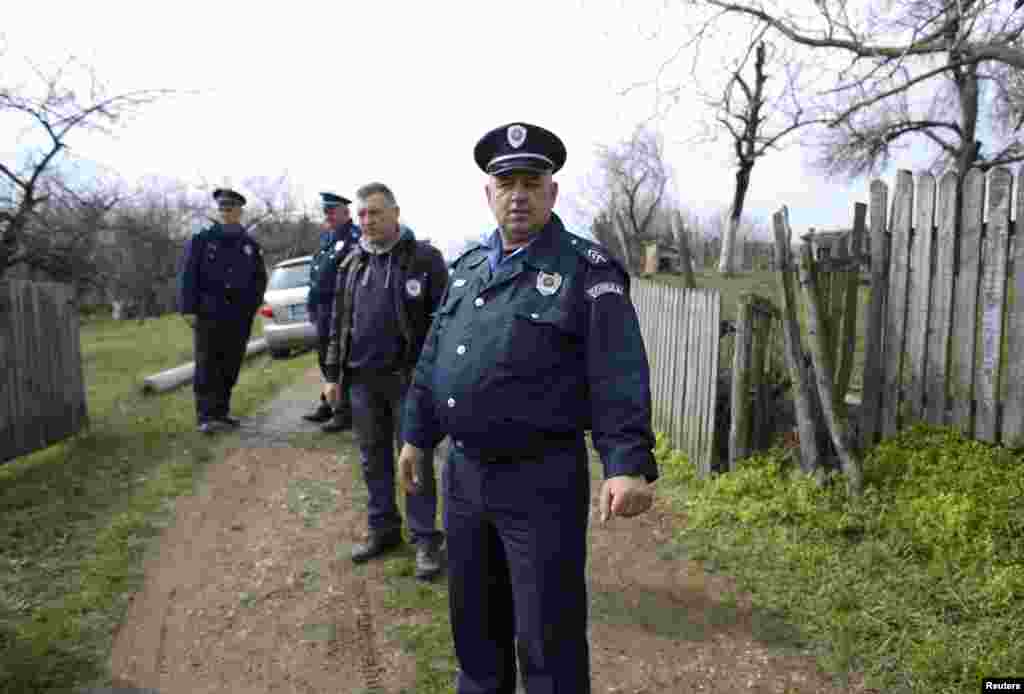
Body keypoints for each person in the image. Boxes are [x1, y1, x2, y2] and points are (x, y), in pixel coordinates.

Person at [398, 122, 658, 693]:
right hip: (464, 477)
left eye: (531, 182)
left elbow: (617, 371)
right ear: (488, 194)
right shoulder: (467, 269)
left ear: (552, 193)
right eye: (505, 182)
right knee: (475, 629)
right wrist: (416, 433)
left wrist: (625, 463)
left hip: (540, 482)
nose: (518, 193)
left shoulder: (585, 270)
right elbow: (436, 356)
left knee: (548, 637)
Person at [323, 182, 449, 580]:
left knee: (415, 460)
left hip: (408, 381)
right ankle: (383, 531)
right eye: (361, 215)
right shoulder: (351, 264)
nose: (366, 221)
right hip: (361, 382)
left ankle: (426, 538)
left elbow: (443, 325)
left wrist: (436, 380)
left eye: (374, 213)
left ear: (395, 212)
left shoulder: (424, 259)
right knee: (371, 460)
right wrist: (332, 375)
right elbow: (337, 324)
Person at [177, 188, 268, 434]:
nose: (226, 213)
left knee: (231, 363)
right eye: (223, 209)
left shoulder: (249, 244)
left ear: (240, 211)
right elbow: (188, 275)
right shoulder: (202, 239)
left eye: (231, 209)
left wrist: (251, 306)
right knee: (208, 363)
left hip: (239, 316)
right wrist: (188, 309)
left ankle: (222, 412)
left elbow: (260, 279)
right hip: (209, 313)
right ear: (219, 211)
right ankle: (206, 416)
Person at [303, 192, 361, 431]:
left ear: (346, 212)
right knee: (325, 360)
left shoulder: (354, 237)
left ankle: (343, 412)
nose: (327, 215)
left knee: (341, 360)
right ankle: (329, 402)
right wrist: (311, 305)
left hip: (342, 309)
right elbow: (316, 274)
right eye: (325, 211)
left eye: (331, 211)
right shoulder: (328, 238)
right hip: (323, 310)